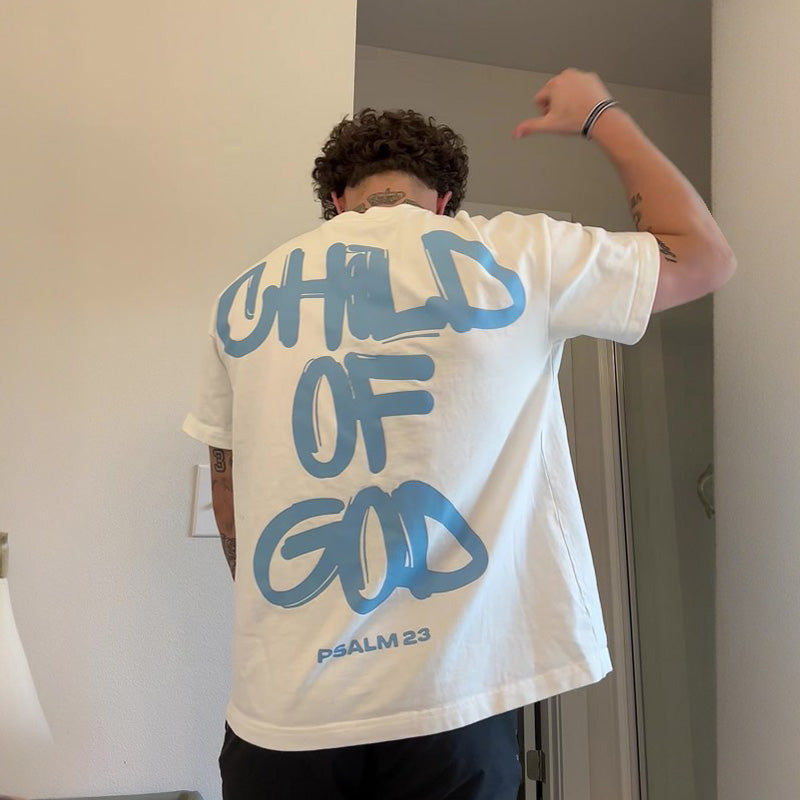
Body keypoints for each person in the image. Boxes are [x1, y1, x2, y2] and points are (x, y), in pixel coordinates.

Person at [183, 69, 735, 799]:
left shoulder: (241, 298)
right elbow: (703, 256)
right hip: (452, 700)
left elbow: (228, 491)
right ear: (445, 200)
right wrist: (599, 113)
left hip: (284, 709)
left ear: (335, 200)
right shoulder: (513, 254)